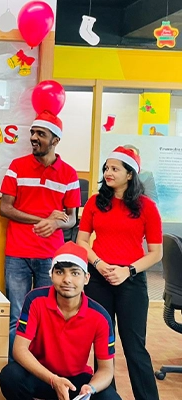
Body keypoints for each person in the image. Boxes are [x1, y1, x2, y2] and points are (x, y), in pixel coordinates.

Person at [77, 146, 163, 400]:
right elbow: (82, 241)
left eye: (115, 168)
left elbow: (156, 253)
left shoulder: (147, 207)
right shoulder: (95, 202)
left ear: (130, 174)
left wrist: (128, 270)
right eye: (107, 168)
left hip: (131, 281)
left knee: (135, 347)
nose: (108, 172)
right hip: (98, 278)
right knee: (103, 345)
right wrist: (99, 264)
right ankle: (108, 397)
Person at [0, 110, 81, 360]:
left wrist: (56, 224)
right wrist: (44, 220)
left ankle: (44, 371)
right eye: (33, 133)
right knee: (16, 317)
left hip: (51, 257)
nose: (34, 138)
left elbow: (72, 219)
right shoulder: (17, 167)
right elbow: (5, 208)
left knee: (48, 316)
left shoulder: (69, 174)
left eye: (41, 134)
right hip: (17, 254)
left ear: (55, 140)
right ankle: (15, 371)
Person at [0, 242, 121, 400]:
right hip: (41, 375)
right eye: (60, 272)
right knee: (10, 376)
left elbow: (106, 370)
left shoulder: (101, 316)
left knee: (110, 397)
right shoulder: (35, 300)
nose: (67, 279)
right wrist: (53, 380)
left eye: (75, 273)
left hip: (75, 381)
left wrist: (90, 388)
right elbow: (19, 350)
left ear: (86, 278)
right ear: (51, 275)